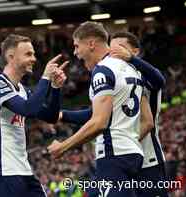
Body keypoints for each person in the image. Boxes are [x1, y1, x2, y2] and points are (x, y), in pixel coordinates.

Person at [48, 22, 144, 196]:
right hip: (132, 152)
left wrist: (63, 147)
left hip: (114, 155)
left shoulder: (103, 70)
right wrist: (63, 115)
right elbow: (105, 112)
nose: (75, 53)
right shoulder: (131, 69)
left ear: (91, 43)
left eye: (77, 46)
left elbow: (99, 122)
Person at [0, 34, 67, 197]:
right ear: (11, 57)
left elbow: (51, 116)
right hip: (3, 171)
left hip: (23, 169)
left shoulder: (23, 90)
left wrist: (55, 88)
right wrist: (45, 77)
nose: (34, 59)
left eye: (33, 54)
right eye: (28, 54)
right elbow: (27, 109)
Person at [110, 31, 168, 197]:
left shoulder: (143, 75)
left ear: (135, 51)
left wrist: (131, 60)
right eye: (112, 49)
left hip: (149, 160)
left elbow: (159, 80)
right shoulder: (115, 79)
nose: (115, 52)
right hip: (125, 162)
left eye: (120, 48)